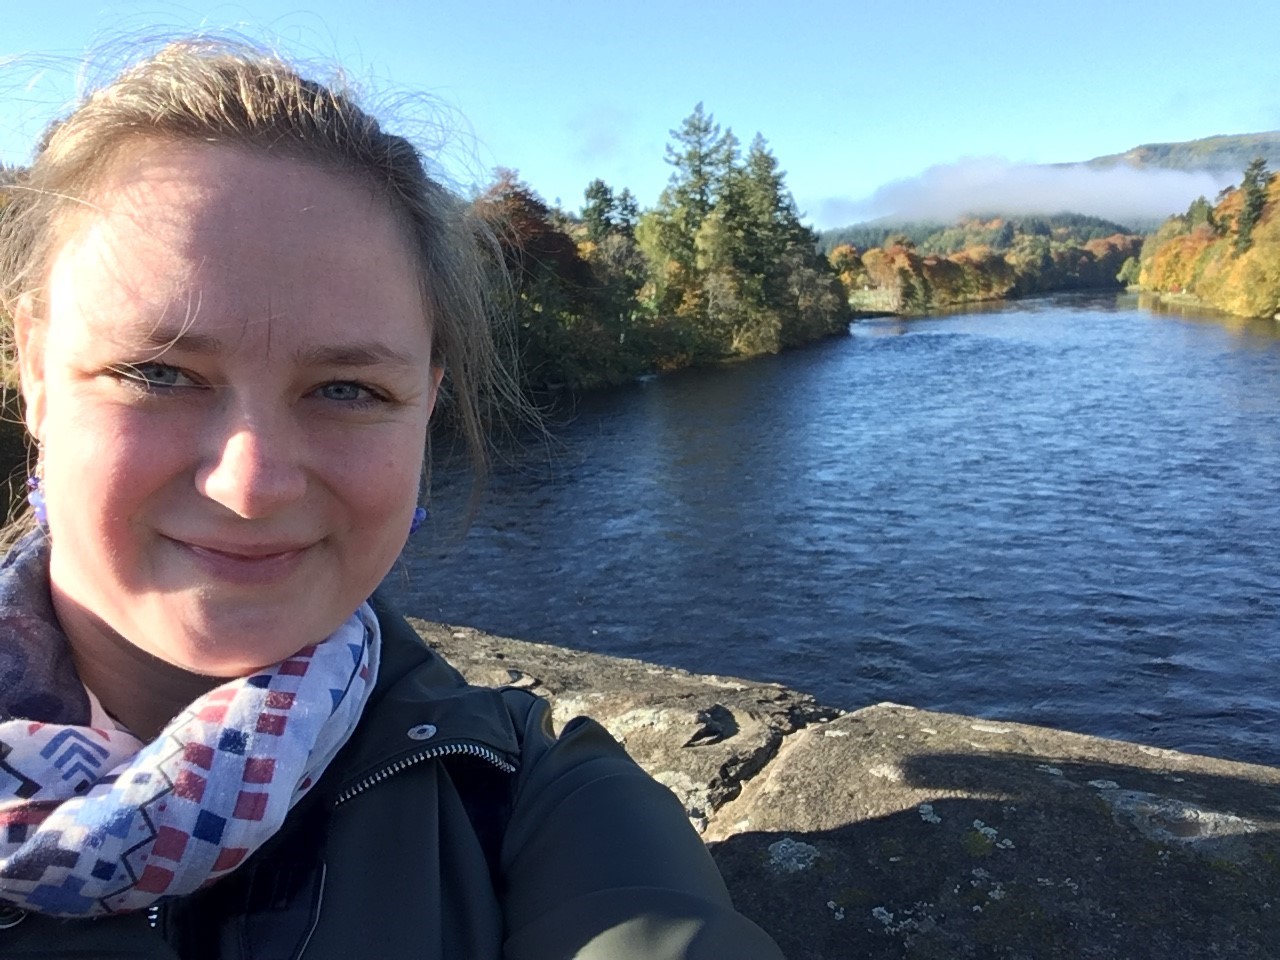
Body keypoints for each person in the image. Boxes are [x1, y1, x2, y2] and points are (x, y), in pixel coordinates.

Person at [0, 39, 783, 958]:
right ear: (36, 373)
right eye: (157, 373)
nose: (252, 484)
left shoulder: (523, 799)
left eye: (347, 389)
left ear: (426, 405)